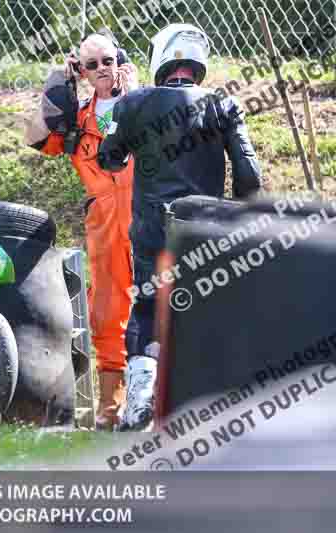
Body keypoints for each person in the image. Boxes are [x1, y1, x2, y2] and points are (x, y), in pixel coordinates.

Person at [97, 23, 263, 431]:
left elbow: (109, 159)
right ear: (197, 61)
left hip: (153, 230)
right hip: (203, 231)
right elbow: (250, 178)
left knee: (149, 309)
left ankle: (139, 402)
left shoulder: (134, 104)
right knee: (207, 312)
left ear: (161, 57)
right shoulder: (223, 104)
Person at [25, 30, 139, 430]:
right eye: (92, 65)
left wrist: (136, 93)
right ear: (84, 72)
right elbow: (35, 137)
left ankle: (163, 402)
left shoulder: (143, 102)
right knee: (108, 314)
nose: (103, 70)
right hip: (106, 224)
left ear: (119, 60)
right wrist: (59, 83)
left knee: (167, 307)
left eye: (108, 60)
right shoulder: (76, 118)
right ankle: (111, 412)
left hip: (148, 215)